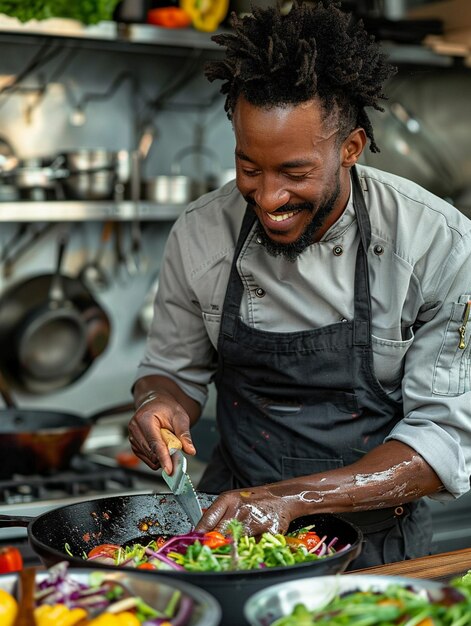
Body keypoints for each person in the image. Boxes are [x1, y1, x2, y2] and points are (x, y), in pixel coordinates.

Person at [128, 0, 471, 569]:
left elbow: (445, 440)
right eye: (249, 168)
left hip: (375, 551)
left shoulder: (436, 243)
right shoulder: (200, 233)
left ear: (351, 149)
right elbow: (172, 371)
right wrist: (156, 404)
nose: (267, 199)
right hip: (227, 544)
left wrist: (288, 500)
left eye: (294, 173)